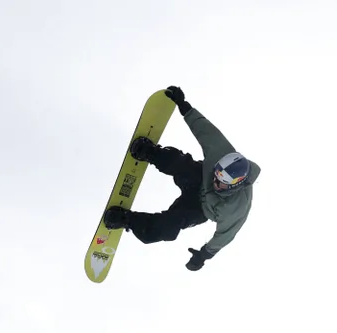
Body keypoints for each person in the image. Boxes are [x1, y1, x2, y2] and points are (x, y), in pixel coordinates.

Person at [103, 86, 261, 271]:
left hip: (200, 209)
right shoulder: (222, 153)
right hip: (199, 179)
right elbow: (206, 131)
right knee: (183, 165)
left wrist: (202, 256)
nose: (216, 181)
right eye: (217, 174)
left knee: (169, 228)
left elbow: (224, 237)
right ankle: (151, 153)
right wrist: (185, 107)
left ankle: (126, 219)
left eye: (221, 181)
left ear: (235, 185)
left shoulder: (235, 211)